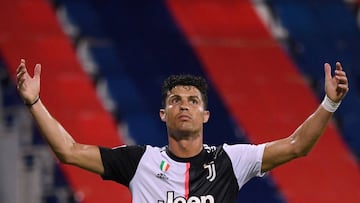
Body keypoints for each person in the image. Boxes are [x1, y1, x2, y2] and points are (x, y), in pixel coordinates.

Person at [16, 58, 349, 203]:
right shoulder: (138, 162)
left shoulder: (231, 160)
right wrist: (35, 103)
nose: (184, 105)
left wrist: (329, 104)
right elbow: (69, 151)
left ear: (205, 115)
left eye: (193, 100)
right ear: (163, 114)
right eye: (176, 100)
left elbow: (297, 145)